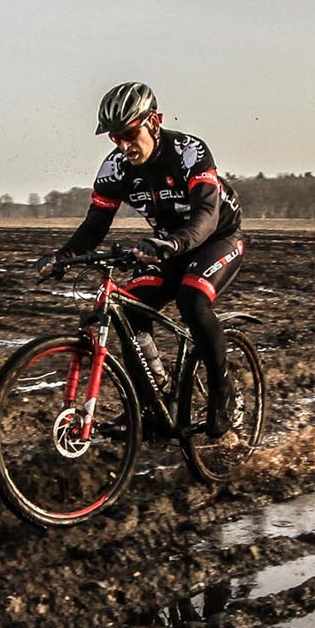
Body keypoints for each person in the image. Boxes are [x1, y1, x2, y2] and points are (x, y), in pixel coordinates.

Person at [45, 81, 249, 436]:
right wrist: (63, 256)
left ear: (154, 121)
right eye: (114, 138)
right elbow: (95, 225)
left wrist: (171, 244)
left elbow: (206, 214)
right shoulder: (116, 169)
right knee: (130, 311)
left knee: (192, 300)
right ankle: (157, 402)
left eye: (129, 133)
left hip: (216, 237)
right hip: (169, 243)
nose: (124, 145)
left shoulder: (188, 152)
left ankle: (223, 393)